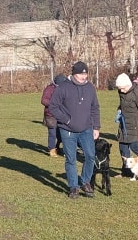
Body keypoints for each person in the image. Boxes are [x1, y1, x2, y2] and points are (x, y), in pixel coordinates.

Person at [49, 61, 100, 199]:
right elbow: (53, 106)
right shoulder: (63, 88)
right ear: (73, 74)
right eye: (80, 74)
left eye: (85, 74)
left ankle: (85, 182)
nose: (83, 76)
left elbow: (95, 108)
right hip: (68, 130)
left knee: (90, 156)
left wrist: (96, 127)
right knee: (71, 159)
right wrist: (66, 120)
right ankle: (73, 187)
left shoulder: (90, 88)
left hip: (86, 129)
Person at [41, 74, 67, 157]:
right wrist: (54, 104)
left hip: (60, 113)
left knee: (61, 132)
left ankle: (58, 147)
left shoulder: (64, 88)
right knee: (52, 132)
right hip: (50, 114)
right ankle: (51, 149)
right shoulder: (49, 89)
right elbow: (43, 100)